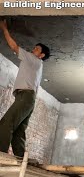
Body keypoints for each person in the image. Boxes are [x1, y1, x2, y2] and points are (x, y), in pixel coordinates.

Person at [0, 20, 50, 157]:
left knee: (5, 124)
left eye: (37, 49)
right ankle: (21, 160)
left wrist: (4, 29)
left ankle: (1, 155)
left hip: (26, 96)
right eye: (34, 47)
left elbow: (14, 47)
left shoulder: (34, 60)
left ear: (41, 55)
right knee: (18, 131)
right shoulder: (36, 65)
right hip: (29, 99)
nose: (33, 49)